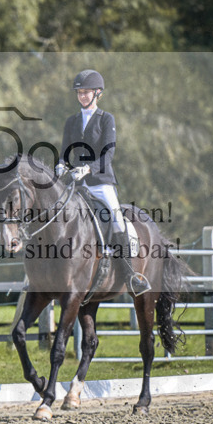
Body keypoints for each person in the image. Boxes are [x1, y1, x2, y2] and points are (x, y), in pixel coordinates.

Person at [56, 69, 150, 295]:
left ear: (98, 93)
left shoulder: (106, 119)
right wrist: (61, 165)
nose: (82, 96)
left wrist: (87, 168)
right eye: (79, 92)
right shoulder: (71, 121)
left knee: (117, 219)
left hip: (100, 182)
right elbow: (64, 151)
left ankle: (131, 276)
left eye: (86, 92)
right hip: (76, 185)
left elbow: (108, 155)